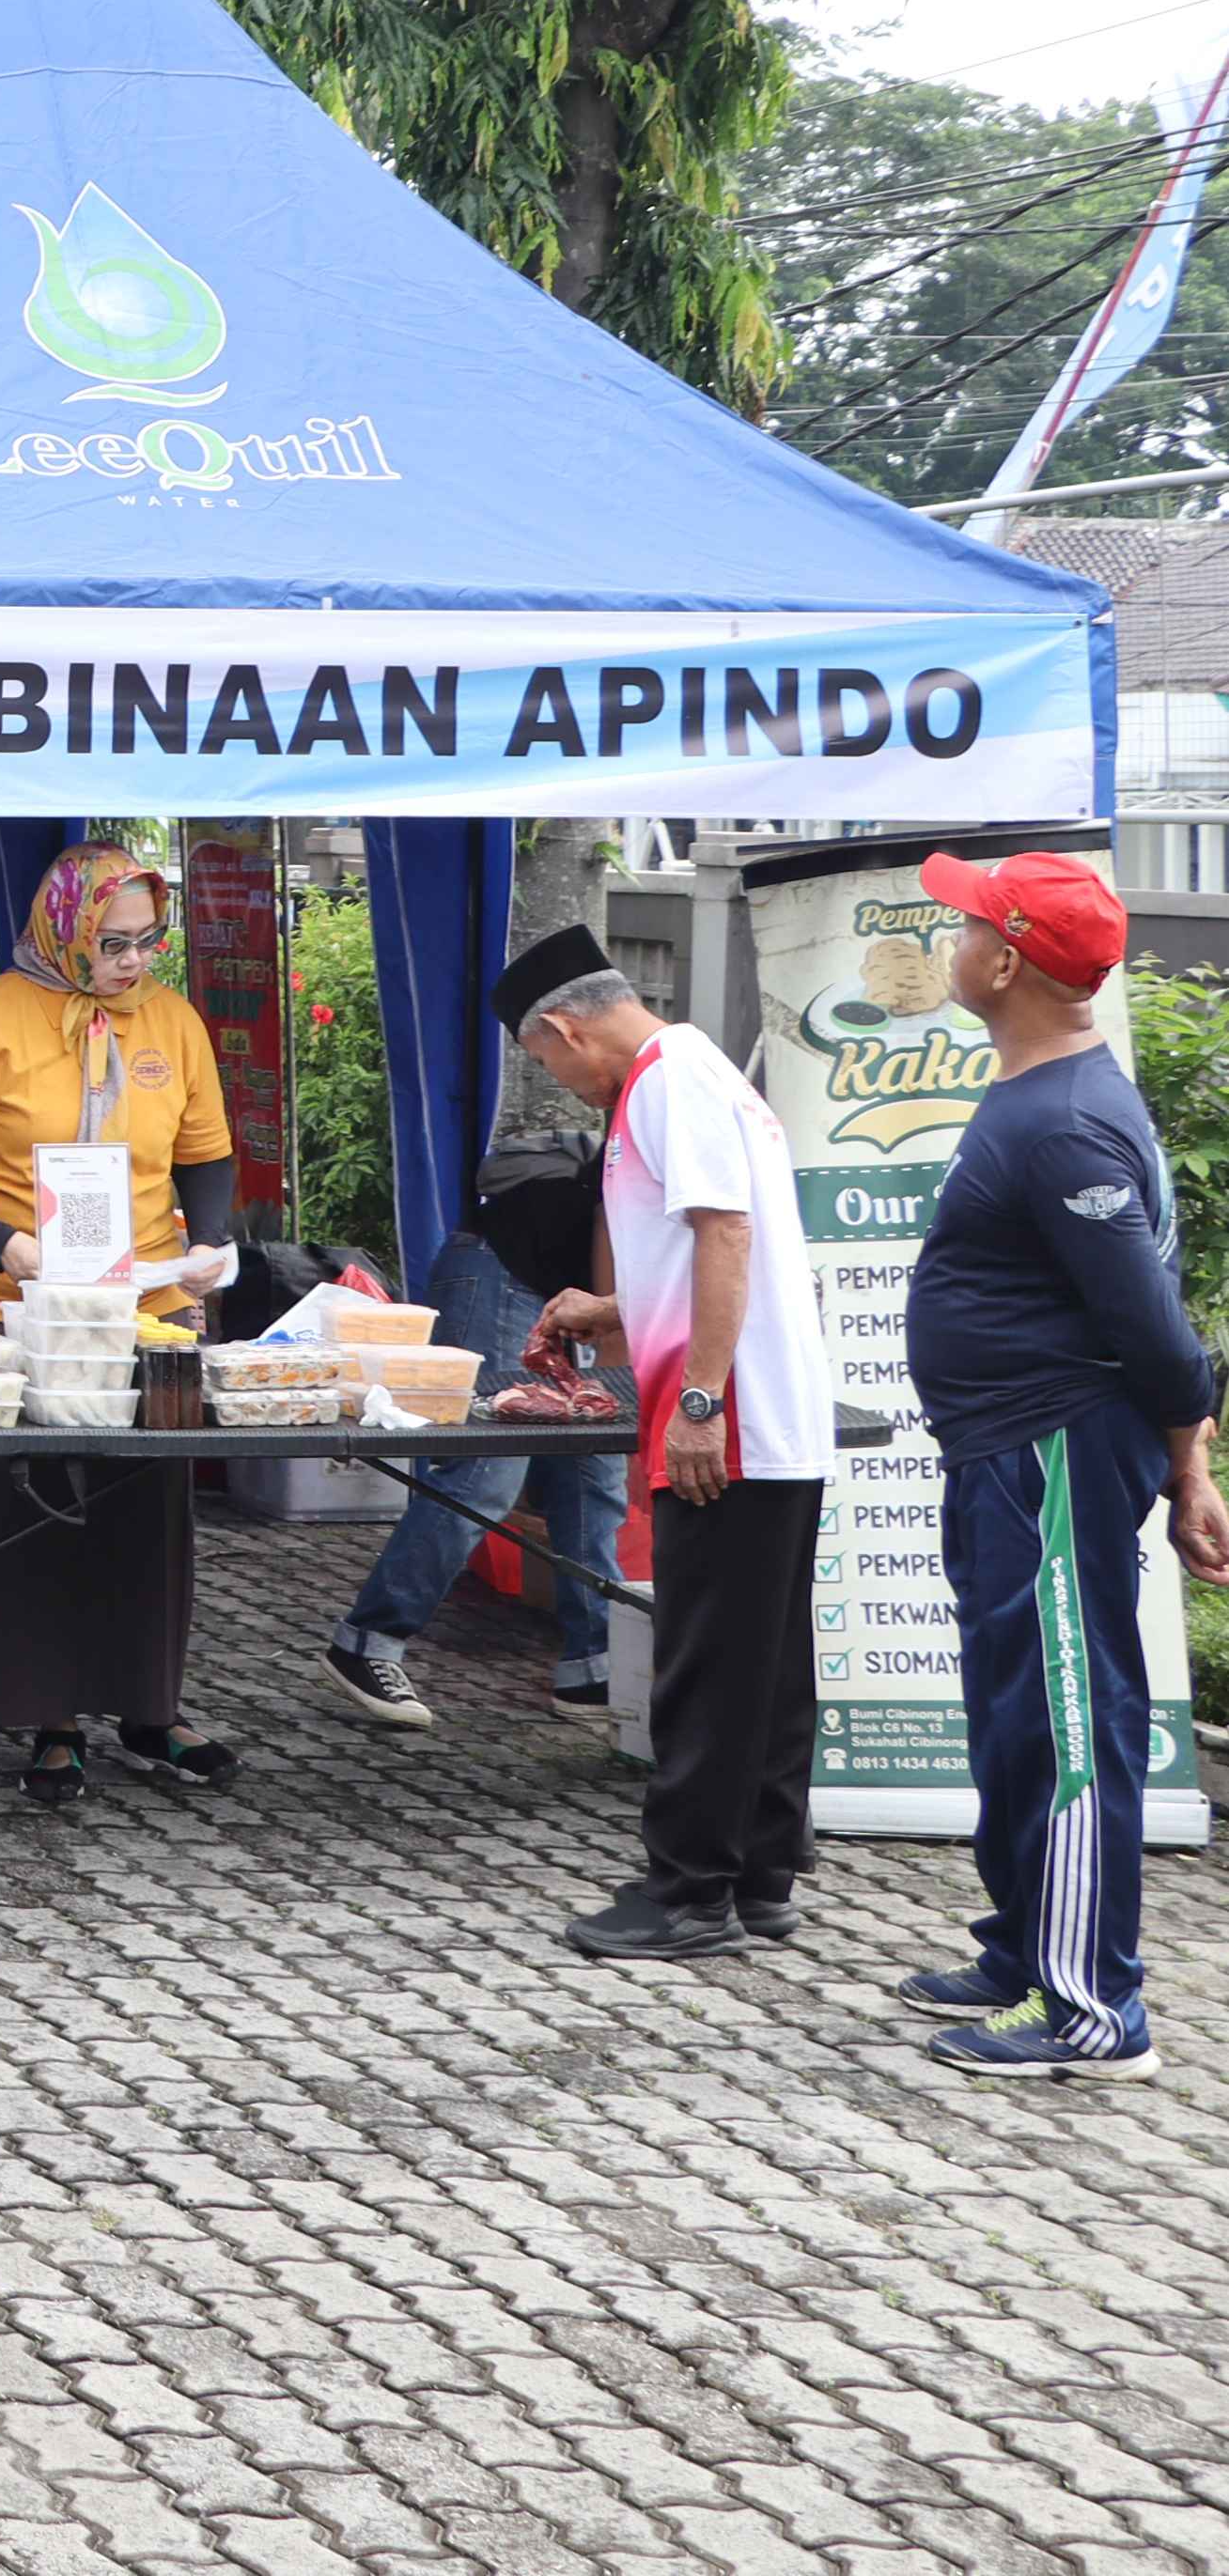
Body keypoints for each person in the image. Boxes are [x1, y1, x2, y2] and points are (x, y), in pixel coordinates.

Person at [891, 852, 1229, 2069]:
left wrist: (1189, 1465)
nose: (949, 936)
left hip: (1048, 1453)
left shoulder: (1065, 1124)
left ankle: (1090, 2004)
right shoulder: (1044, 1090)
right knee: (1010, 1709)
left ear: (1009, 960)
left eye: (966, 922)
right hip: (1006, 1450)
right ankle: (1023, 1945)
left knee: (1067, 1714)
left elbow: (1154, 1331)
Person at [504, 932, 837, 1963]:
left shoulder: (661, 1083)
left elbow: (725, 1236)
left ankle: (688, 1890)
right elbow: (705, 1250)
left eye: (543, 1060)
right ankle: (760, 1876)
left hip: (729, 1415)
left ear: (563, 1028)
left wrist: (697, 1398)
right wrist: (611, 1309)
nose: (555, 1081)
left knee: (704, 1660)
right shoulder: (698, 1067)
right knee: (768, 1661)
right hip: (774, 1408)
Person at [0, 844, 243, 1806]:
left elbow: (207, 1155)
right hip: (5, 1294)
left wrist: (207, 1240)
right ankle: (44, 1716)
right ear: (63, 930)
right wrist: (2, 1244)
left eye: (147, 942)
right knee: (22, 1506)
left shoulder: (171, 1021)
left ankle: (148, 1707)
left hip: (141, 1301)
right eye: (112, 943)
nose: (134, 962)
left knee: (145, 1508)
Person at [324, 1149, 630, 1725]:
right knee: (487, 1469)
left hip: (564, 1284)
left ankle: (597, 1667)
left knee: (594, 1472)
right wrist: (615, 1390)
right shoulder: (664, 1159)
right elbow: (617, 1295)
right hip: (500, 1270)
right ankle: (366, 1643)